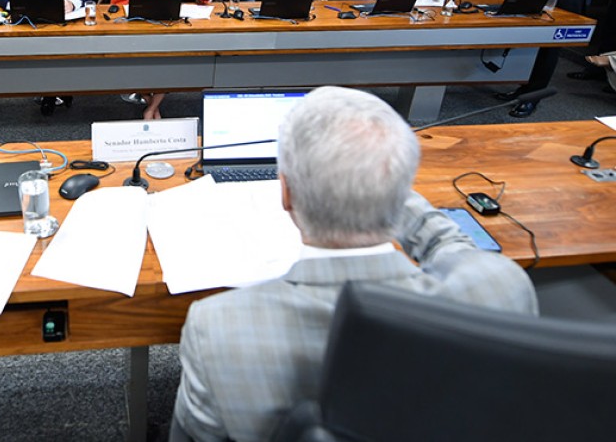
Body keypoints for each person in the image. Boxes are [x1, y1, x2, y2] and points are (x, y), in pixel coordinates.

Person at [172, 86, 538, 442]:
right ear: (401, 188)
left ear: (286, 194)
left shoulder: (217, 327)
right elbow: (454, 246)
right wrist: (382, 187)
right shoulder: (501, 290)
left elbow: (194, 434)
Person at [113, 0, 214, 119]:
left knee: (169, 61)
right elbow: (114, 6)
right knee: (135, 61)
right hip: (136, 33)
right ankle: (152, 105)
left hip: (167, 33)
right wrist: (135, 4)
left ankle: (151, 108)